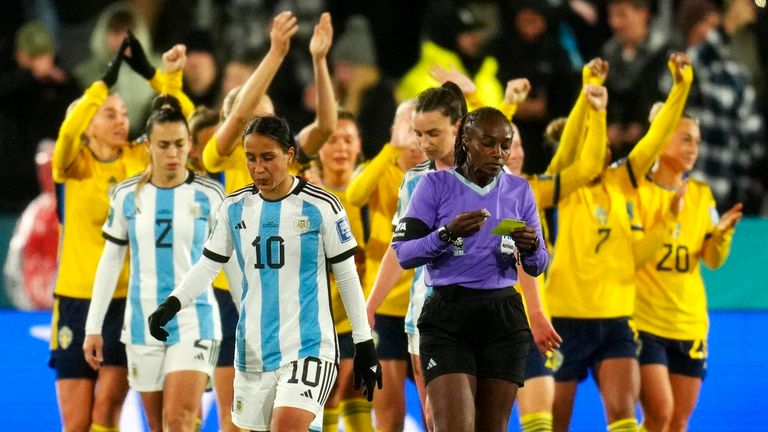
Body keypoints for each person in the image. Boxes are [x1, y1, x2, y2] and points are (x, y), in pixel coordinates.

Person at [146, 115, 382, 432]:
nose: (258, 168)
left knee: (286, 426)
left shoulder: (321, 206)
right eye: (251, 158)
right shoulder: (234, 207)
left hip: (309, 347)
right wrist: (172, 304)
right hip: (253, 350)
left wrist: (363, 342)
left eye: (268, 158)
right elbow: (208, 264)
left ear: (289, 155)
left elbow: (347, 275)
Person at [50, 34, 194, 432]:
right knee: (76, 421)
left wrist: (159, 76)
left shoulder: (138, 158)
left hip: (127, 300)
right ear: (89, 124)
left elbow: (181, 122)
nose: (120, 120)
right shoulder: (73, 165)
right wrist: (104, 82)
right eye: (108, 114)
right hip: (76, 300)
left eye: (122, 114)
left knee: (107, 409)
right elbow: (66, 132)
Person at [544, 53, 693, 432]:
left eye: (606, 144)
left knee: (625, 417)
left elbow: (654, 139)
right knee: (555, 421)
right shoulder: (561, 186)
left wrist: (681, 87)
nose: (603, 150)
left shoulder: (622, 182)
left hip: (615, 321)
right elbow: (582, 153)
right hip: (564, 323)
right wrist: (590, 97)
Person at [391, 107, 553, 432]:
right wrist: (446, 234)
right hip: (447, 316)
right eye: (489, 143)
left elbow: (537, 265)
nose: (499, 153)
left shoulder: (519, 191)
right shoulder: (433, 186)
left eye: (505, 145)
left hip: (503, 317)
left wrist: (532, 247)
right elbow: (404, 253)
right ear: (465, 140)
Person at [82, 95, 223, 432]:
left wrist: (249, 315)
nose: (172, 153)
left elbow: (229, 262)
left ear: (190, 144)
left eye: (179, 144)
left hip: (195, 319)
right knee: (159, 425)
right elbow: (111, 260)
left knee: (179, 420)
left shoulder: (210, 195)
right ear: (148, 146)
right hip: (141, 323)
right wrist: (93, 326)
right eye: (163, 145)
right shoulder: (127, 195)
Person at [365, 82, 468, 431]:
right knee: (435, 420)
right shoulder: (413, 182)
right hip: (425, 317)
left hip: (481, 318)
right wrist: (369, 305)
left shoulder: (495, 178)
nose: (423, 144)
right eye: (418, 134)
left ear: (458, 126)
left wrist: (534, 311)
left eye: (433, 133)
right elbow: (400, 250)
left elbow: (516, 244)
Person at [633, 110, 743, 432]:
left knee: (678, 422)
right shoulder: (637, 192)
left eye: (696, 141)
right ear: (661, 137)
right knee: (659, 415)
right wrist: (667, 219)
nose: (693, 148)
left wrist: (721, 234)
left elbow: (712, 259)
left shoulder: (700, 195)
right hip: (645, 322)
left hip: (690, 324)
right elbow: (632, 257)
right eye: (684, 139)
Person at [346, 99, 425, 432]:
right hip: (386, 309)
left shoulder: (439, 174)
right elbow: (354, 195)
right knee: (388, 413)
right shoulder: (380, 169)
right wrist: (390, 151)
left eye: (416, 126)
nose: (411, 135)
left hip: (425, 305)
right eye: (403, 125)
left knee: (435, 410)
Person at [312, 111, 372, 432]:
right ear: (318, 147)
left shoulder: (370, 193)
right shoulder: (305, 196)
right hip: (320, 315)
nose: (341, 148)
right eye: (332, 140)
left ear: (359, 145)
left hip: (360, 313)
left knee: (355, 391)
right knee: (332, 392)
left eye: (348, 140)